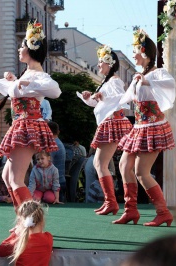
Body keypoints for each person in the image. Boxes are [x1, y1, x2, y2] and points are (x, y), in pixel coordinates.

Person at [0, 20, 61, 210]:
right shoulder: (28, 73)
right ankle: (23, 220)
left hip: (28, 126)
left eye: (22, 46)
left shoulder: (37, 74)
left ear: (31, 48)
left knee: (16, 178)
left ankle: (31, 222)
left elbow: (55, 90)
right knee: (6, 176)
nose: (19, 50)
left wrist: (27, 84)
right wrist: (15, 81)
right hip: (21, 125)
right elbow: (18, 90)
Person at [114, 29, 175, 226]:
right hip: (139, 127)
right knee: (124, 165)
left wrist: (147, 81)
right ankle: (131, 210)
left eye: (134, 51)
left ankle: (163, 212)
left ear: (143, 51)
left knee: (142, 172)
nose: (133, 55)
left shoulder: (157, 73)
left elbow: (170, 83)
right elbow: (124, 98)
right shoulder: (138, 75)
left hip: (153, 127)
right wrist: (100, 101)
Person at [77, 44, 132, 215]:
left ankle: (112, 202)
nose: (99, 65)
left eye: (101, 62)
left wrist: (103, 96)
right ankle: (111, 201)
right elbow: (102, 103)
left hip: (112, 123)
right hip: (107, 123)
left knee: (100, 164)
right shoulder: (106, 82)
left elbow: (121, 97)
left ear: (110, 63)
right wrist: (89, 98)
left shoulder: (115, 81)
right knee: (99, 163)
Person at [0, 200, 53, 265]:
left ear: (21, 221)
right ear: (42, 220)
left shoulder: (19, 240)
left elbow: (0, 251)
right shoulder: (48, 237)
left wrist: (16, 233)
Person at [48, 121, 66, 202]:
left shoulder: (53, 144)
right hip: (61, 181)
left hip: (55, 184)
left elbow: (46, 164)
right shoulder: (58, 143)